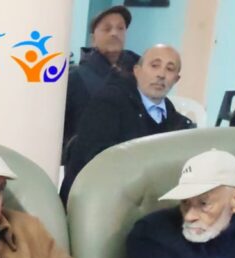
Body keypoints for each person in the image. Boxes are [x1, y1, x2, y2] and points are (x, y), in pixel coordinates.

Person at [62, 44, 194, 204]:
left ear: (176, 79)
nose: (161, 74)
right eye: (154, 65)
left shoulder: (179, 126)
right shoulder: (108, 103)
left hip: (152, 204)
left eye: (170, 69)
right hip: (97, 201)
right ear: (137, 71)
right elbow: (98, 163)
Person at [63, 5, 138, 155]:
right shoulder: (76, 78)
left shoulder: (139, 72)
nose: (114, 33)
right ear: (93, 39)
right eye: (107, 29)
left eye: (120, 28)